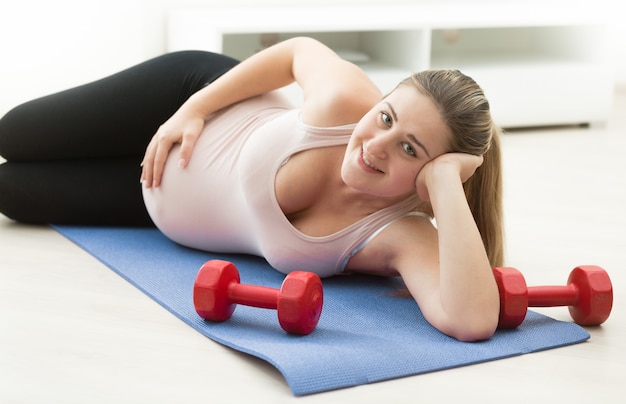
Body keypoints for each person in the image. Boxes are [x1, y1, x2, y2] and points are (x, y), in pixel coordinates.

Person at [0, 37, 503, 341]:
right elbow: (297, 52)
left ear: (434, 174)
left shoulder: (399, 233)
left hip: (147, 191)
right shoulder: (346, 100)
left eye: (411, 150)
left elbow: (471, 321)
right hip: (182, 105)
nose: (376, 145)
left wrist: (445, 188)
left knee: (11, 191)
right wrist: (194, 108)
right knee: (14, 133)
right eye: (386, 117)